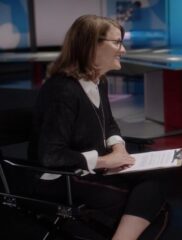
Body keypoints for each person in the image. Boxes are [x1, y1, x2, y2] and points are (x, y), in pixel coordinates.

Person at [28, 15, 166, 240]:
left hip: (87, 169)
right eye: (117, 42)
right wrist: (103, 161)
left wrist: (118, 148)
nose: (123, 50)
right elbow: (50, 155)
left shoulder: (99, 80)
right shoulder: (62, 90)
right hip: (61, 178)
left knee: (157, 178)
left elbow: (108, 123)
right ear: (91, 45)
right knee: (143, 198)